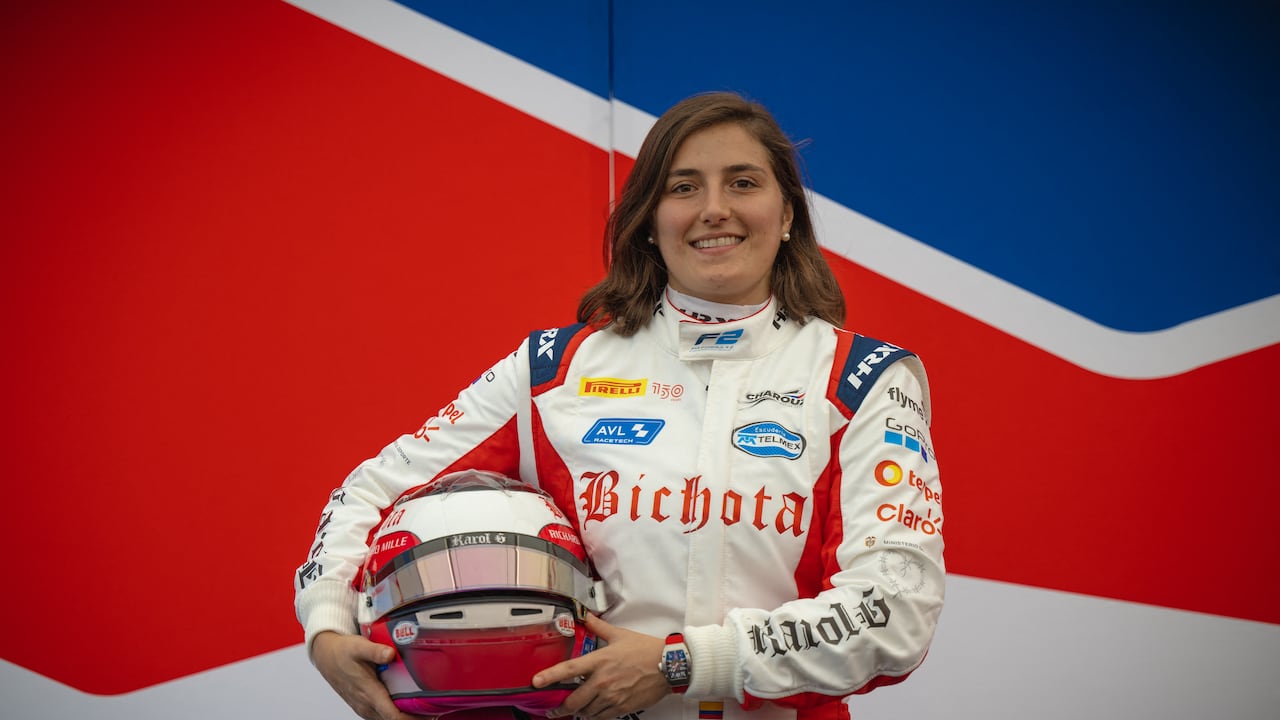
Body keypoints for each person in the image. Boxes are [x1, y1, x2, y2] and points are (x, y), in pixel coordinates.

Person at [295, 91, 945, 720]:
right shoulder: (555, 370)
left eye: (743, 183)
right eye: (684, 187)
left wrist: (682, 664)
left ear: (787, 215)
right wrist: (326, 620)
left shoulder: (864, 379)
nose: (714, 208)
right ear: (650, 221)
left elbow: (895, 610)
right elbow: (372, 490)